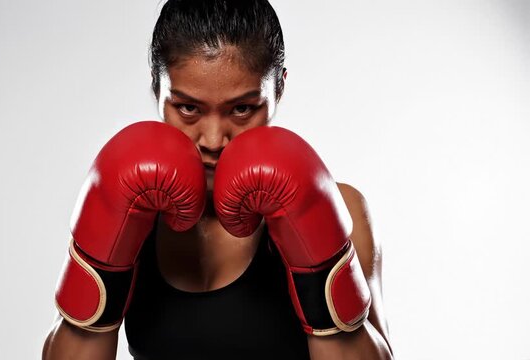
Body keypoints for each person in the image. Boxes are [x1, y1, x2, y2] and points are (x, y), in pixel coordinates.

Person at [43, 0, 393, 359]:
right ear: (157, 89)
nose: (212, 139)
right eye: (188, 108)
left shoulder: (340, 210)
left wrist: (319, 262)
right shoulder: (130, 203)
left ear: (278, 90)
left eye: (242, 109)